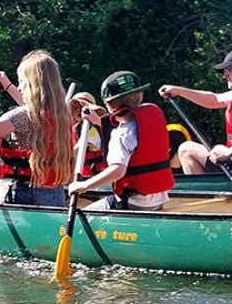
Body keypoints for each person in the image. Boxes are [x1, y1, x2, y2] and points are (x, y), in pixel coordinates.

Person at [0, 50, 74, 207]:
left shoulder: (23, 115)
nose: (19, 87)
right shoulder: (62, 114)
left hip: (26, 196)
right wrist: (7, 85)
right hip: (55, 195)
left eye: (22, 82)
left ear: (32, 85)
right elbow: (32, 109)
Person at [68, 71, 176, 211]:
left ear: (109, 105)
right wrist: (98, 121)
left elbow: (118, 171)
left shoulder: (120, 134)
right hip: (158, 199)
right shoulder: (151, 123)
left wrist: (84, 186)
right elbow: (133, 135)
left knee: (83, 214)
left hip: (131, 202)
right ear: (140, 96)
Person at [69, 91, 108, 177]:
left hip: (104, 174)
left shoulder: (101, 125)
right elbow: (69, 156)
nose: (78, 110)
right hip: (85, 175)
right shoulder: (73, 130)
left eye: (81, 106)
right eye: (75, 108)